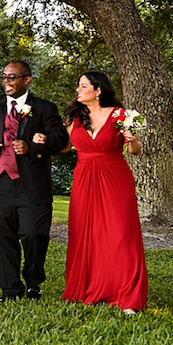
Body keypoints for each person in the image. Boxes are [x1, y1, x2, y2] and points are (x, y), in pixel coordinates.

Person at [41, 71, 148, 314]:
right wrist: (44, 139)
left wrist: (132, 140)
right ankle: (88, 287)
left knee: (121, 234)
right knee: (86, 233)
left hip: (115, 179)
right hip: (84, 179)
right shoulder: (74, 117)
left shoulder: (121, 115)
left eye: (83, 86)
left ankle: (127, 295)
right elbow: (65, 148)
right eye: (78, 86)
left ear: (98, 90)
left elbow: (135, 151)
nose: (78, 90)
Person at [0, 61, 68, 302]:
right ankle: (10, 290)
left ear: (27, 80)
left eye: (12, 77)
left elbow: (60, 140)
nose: (7, 82)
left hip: (30, 183)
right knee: (1, 238)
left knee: (33, 234)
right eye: (4, 77)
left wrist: (32, 147)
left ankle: (34, 282)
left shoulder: (44, 108)